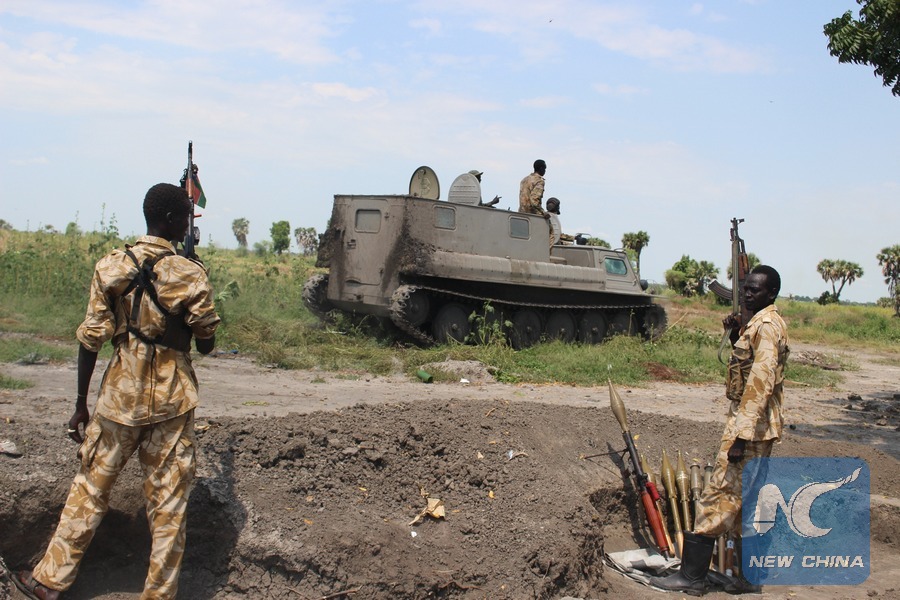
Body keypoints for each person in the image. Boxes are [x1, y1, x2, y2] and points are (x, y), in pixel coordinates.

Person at [16, 183, 221, 600]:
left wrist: (80, 404)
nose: (188, 225)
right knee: (169, 505)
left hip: (118, 398)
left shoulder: (111, 266)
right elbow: (206, 343)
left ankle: (49, 582)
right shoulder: (190, 273)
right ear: (170, 220)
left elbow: (91, 339)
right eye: (186, 217)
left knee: (90, 488)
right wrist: (190, 282)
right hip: (172, 401)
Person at [650, 265, 789, 596]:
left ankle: (692, 578)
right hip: (759, 428)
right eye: (746, 288)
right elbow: (748, 367)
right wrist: (735, 335)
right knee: (746, 506)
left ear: (771, 293)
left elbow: (759, 384)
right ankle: (749, 580)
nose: (747, 294)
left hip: (750, 430)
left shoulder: (766, 326)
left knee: (717, 498)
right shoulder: (761, 324)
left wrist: (740, 437)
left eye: (755, 290)